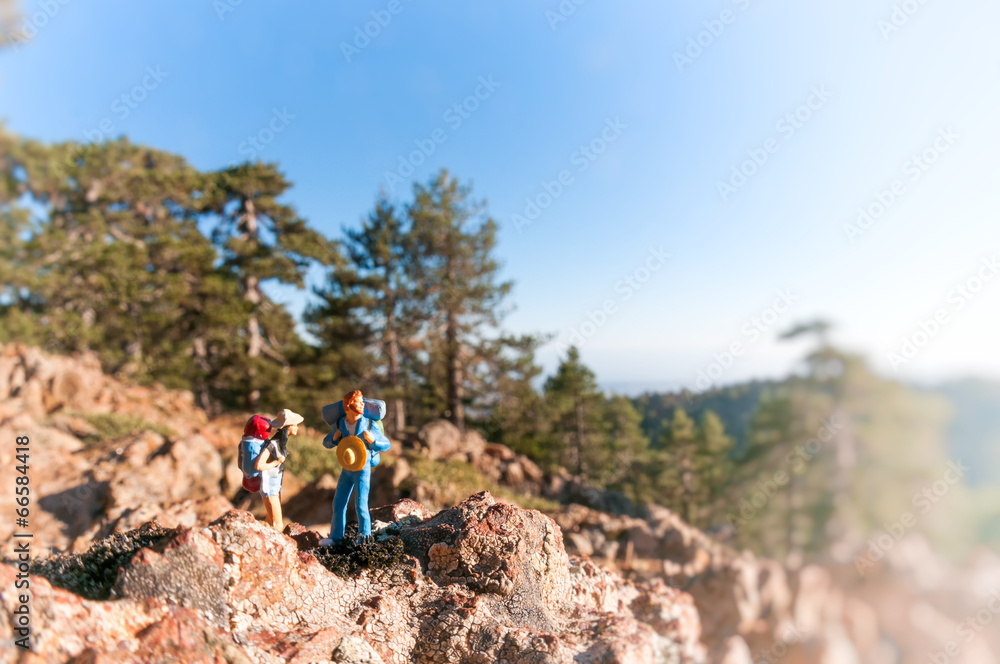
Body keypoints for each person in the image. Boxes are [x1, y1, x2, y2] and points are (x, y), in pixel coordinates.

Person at [320, 390, 391, 545]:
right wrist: (334, 438)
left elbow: (386, 444)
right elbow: (326, 442)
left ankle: (364, 539)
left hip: (362, 468)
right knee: (338, 503)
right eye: (358, 402)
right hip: (346, 468)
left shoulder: (370, 424)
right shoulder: (340, 423)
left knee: (360, 505)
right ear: (348, 406)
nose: (362, 404)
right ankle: (336, 537)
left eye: (362, 402)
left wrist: (373, 442)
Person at [255, 408, 303, 531]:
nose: (297, 428)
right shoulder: (273, 444)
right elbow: (259, 465)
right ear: (287, 427)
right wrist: (277, 462)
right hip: (269, 487)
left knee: (270, 522)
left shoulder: (280, 443)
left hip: (275, 486)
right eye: (295, 425)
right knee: (278, 525)